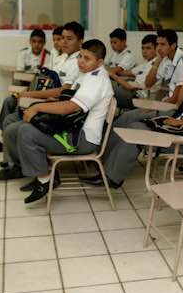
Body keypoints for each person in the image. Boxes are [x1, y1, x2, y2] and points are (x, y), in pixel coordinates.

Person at [82, 45, 183, 188]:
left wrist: (177, 122)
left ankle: (111, 177)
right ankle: (106, 167)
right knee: (133, 124)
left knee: (136, 131)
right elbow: (181, 104)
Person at [13, 39, 115, 203]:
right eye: (80, 56)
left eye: (86, 58)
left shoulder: (97, 79)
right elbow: (67, 98)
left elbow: (71, 107)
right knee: (23, 125)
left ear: (100, 61)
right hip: (74, 128)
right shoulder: (88, 73)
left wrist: (37, 107)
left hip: (82, 139)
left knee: (26, 131)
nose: (81, 61)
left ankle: (45, 180)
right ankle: (43, 175)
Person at [0, 21, 84, 180]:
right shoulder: (65, 58)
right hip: (50, 100)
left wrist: (32, 95)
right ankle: (15, 163)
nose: (63, 42)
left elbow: (63, 91)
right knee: (10, 118)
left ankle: (17, 165)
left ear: (80, 41)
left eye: (69, 39)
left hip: (57, 108)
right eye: (62, 38)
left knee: (11, 123)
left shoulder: (76, 62)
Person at [0, 29, 51, 154]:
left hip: (38, 90)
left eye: (40, 42)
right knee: (8, 101)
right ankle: (4, 139)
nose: (37, 45)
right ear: (30, 42)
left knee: (18, 106)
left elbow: (45, 78)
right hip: (23, 87)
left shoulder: (48, 56)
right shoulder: (23, 53)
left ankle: (9, 142)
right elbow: (20, 74)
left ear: (44, 43)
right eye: (34, 41)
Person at [113, 29, 183, 128]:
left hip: (176, 109)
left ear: (173, 45)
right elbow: (148, 83)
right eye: (158, 44)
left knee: (129, 118)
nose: (159, 48)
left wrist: (155, 106)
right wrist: (158, 60)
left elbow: (175, 99)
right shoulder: (165, 59)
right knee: (126, 117)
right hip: (165, 104)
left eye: (163, 44)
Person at [110, 34, 158, 108]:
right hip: (130, 92)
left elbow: (130, 87)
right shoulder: (145, 64)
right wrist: (107, 70)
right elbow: (123, 73)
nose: (144, 51)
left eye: (148, 48)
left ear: (156, 49)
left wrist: (112, 74)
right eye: (143, 48)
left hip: (137, 97)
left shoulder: (155, 65)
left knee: (107, 86)